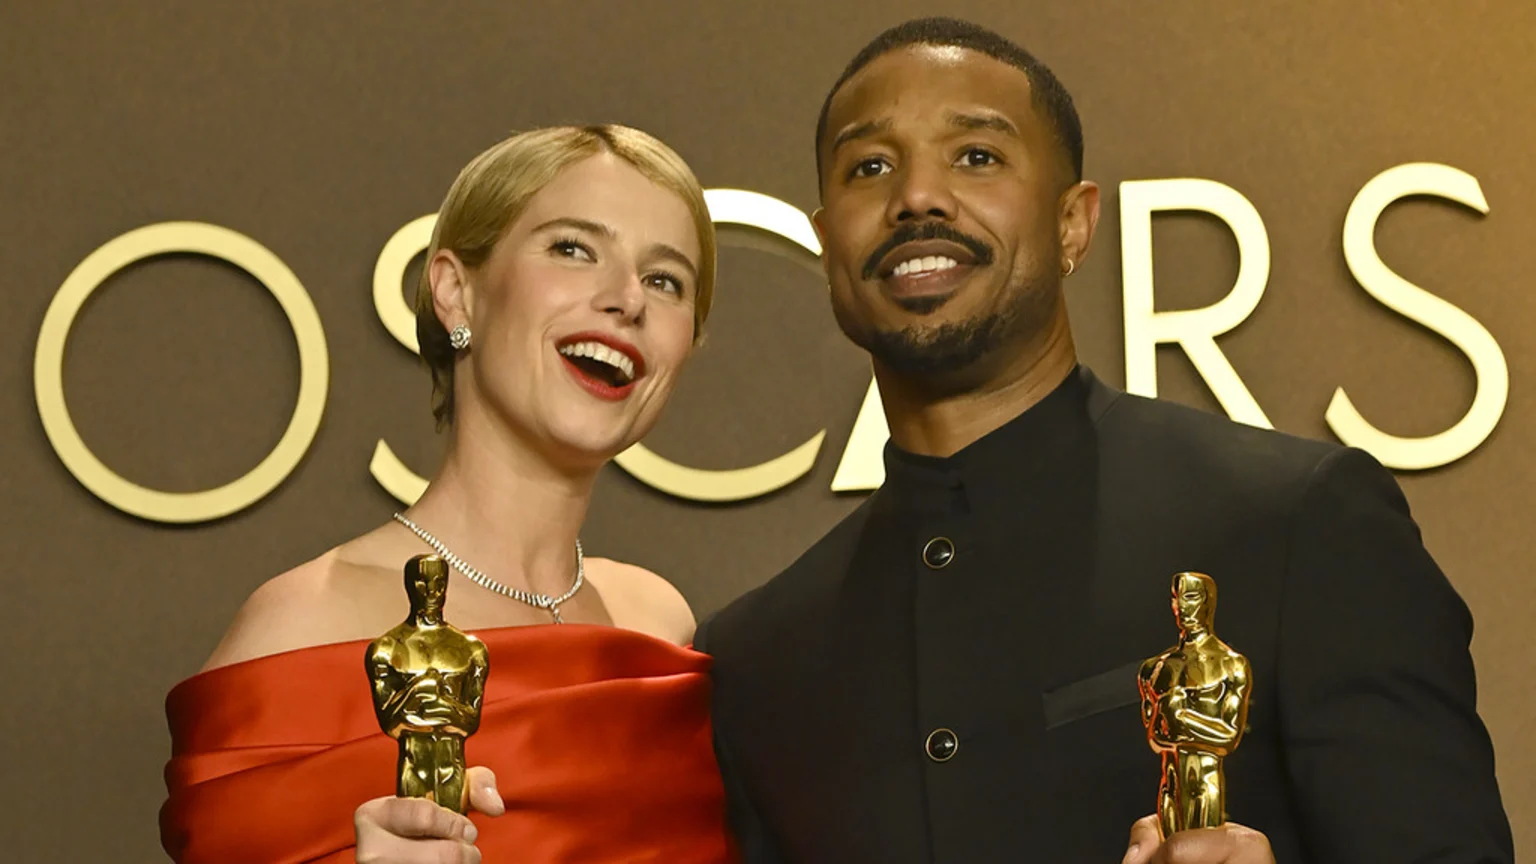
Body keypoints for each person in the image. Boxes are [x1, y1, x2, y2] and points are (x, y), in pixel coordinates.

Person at [685, 16, 1513, 864]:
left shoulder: (1300, 523)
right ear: (827, 246)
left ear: (1075, 223)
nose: (917, 197)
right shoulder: (755, 657)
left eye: (976, 155)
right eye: (870, 167)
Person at [159, 124, 736, 863]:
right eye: (572, 248)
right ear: (455, 291)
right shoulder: (304, 625)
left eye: (666, 280)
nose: (627, 300)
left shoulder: (662, 628)